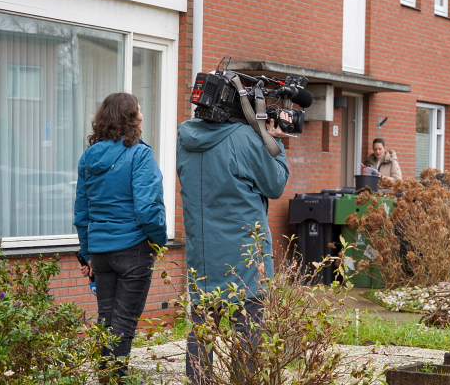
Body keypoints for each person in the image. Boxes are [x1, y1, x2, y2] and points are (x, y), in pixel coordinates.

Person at [177, 109, 290, 384]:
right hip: (245, 258)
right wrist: (276, 144)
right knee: (248, 332)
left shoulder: (185, 137)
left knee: (203, 328)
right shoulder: (246, 138)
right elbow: (275, 184)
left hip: (203, 252)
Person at [73, 92, 167, 383]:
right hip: (133, 249)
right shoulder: (140, 154)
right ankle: (115, 379)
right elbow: (147, 208)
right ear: (132, 118)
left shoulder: (88, 157)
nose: (142, 115)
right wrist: (159, 240)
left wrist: (87, 253)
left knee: (107, 320)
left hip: (100, 253)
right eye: (139, 110)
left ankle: (106, 377)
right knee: (123, 323)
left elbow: (82, 210)